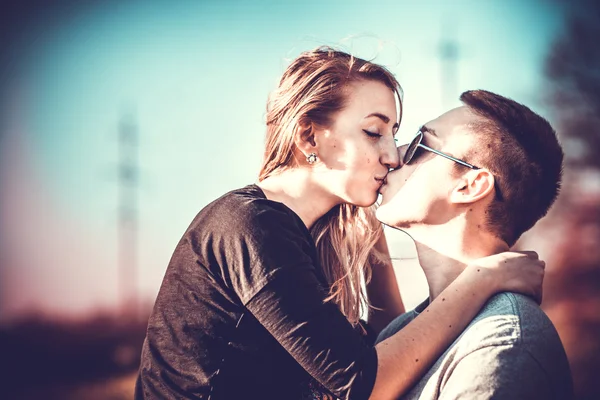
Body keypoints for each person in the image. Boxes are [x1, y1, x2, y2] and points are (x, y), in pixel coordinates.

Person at [135, 48, 545, 400]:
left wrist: (373, 228)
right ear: (309, 138)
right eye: (373, 132)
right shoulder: (251, 225)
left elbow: (389, 344)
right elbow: (361, 383)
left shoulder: (313, 232)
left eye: (397, 135)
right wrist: (481, 279)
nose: (395, 156)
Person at [376, 89, 574, 399]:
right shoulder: (400, 334)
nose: (394, 155)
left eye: (420, 144)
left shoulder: (502, 343)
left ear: (470, 185)